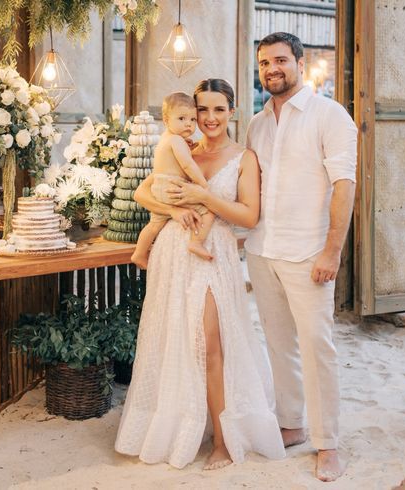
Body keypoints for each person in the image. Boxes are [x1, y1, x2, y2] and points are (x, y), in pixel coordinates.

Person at [115, 79, 286, 470]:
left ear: (232, 112)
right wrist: (175, 211)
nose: (209, 118)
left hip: (212, 253)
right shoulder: (181, 148)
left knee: (212, 344)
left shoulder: (244, 158)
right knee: (177, 339)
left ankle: (224, 443)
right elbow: (143, 194)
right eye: (202, 110)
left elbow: (248, 215)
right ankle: (186, 423)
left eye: (218, 109)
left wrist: (204, 197)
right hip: (173, 251)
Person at [245, 32, 357, 482]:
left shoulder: (330, 116)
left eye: (279, 60)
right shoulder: (255, 123)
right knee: (279, 345)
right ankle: (291, 424)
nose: (272, 69)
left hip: (309, 252)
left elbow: (344, 186)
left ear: (299, 61)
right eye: (264, 63)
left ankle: (327, 442)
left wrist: (332, 250)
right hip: (261, 248)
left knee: (317, 347)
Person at [130, 92, 215, 269]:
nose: (188, 124)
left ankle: (139, 254)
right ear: (166, 120)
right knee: (208, 211)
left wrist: (186, 146)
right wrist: (203, 185)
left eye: (192, 119)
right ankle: (196, 242)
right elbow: (187, 165)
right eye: (182, 118)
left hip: (159, 187)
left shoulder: (166, 138)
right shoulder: (177, 140)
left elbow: (172, 159)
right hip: (173, 187)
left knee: (154, 225)